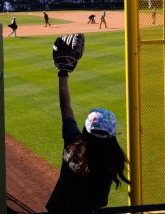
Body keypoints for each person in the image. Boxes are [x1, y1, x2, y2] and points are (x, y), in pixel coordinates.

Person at [46, 65, 129, 213]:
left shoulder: (73, 141)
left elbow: (66, 107)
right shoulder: (110, 162)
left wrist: (63, 72)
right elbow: (101, 202)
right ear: (111, 135)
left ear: (86, 128)